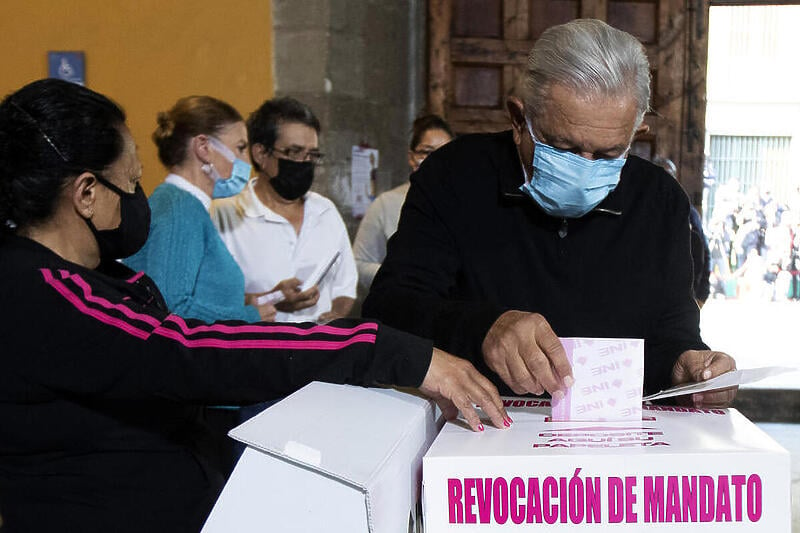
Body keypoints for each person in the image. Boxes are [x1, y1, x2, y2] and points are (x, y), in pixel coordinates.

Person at [0, 79, 509, 533]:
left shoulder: (96, 276)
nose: (140, 199)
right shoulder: (38, 288)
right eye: (131, 185)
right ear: (87, 193)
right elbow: (185, 350)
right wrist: (381, 347)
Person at [363, 19, 737, 408]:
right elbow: (389, 310)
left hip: (613, 440)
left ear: (635, 132)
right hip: (479, 430)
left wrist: (687, 366)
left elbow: (671, 331)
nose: (585, 168)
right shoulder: (452, 176)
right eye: (563, 147)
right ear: (518, 120)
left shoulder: (660, 201)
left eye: (609, 153)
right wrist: (484, 328)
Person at [124, 96, 295, 323]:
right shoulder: (180, 208)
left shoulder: (185, 205)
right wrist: (250, 316)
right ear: (204, 148)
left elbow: (198, 293)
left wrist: (252, 302)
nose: (247, 161)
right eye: (240, 148)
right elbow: (171, 307)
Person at [212, 97, 356, 323]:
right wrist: (271, 299)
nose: (304, 163)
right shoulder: (224, 215)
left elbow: (345, 285)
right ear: (261, 154)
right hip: (257, 350)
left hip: (320, 351)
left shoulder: (325, 211)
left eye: (312, 155)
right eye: (294, 152)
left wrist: (335, 315)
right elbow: (210, 299)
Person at [353, 114, 454, 289]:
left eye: (444, 153)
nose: (435, 160)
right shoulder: (386, 204)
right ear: (411, 156)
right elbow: (359, 264)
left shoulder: (462, 206)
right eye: (427, 152)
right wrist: (400, 277)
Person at [652, 155, 711, 307]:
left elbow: (704, 251)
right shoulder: (643, 211)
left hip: (683, 297)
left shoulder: (688, 213)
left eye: (670, 176)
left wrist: (702, 294)